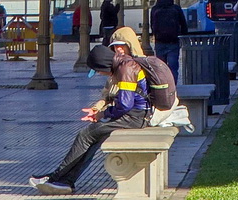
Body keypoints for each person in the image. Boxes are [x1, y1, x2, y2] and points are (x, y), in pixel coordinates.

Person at [29, 37, 149, 195]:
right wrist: (100, 110)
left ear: (103, 64)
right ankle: (64, 180)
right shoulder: (124, 65)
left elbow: (125, 105)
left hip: (135, 117)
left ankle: (57, 178)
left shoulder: (125, 69)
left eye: (98, 70)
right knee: (91, 137)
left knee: (85, 135)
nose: (99, 73)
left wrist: (103, 114)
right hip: (136, 116)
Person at [149, 0, 187, 81]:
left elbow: (152, 24)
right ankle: (173, 85)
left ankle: (163, 85)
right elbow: (183, 24)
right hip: (173, 41)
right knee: (173, 67)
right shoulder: (176, 8)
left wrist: (155, 35)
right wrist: (183, 36)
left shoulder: (154, 9)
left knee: (160, 68)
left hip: (160, 41)